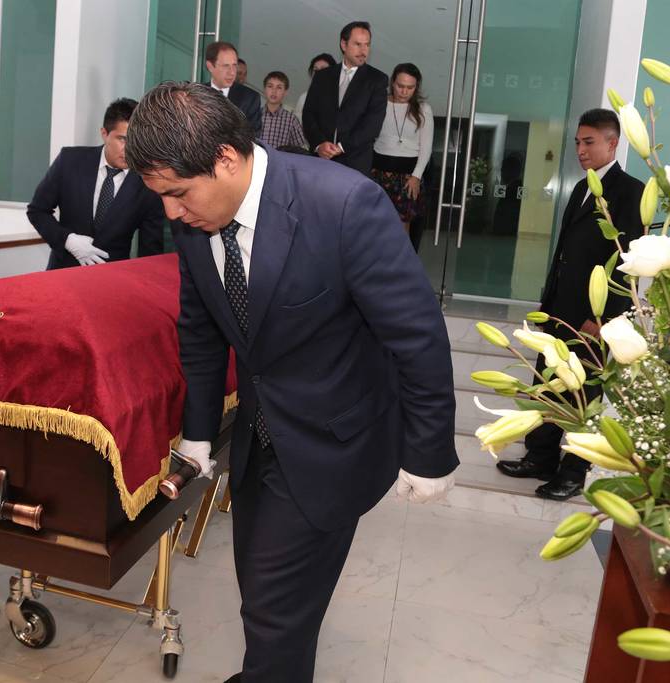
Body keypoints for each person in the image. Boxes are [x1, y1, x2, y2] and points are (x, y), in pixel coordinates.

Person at [126, 82, 457, 683]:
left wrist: (429, 452)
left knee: (275, 611)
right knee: (262, 592)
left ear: (226, 158)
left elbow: (417, 335)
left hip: (335, 440)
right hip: (259, 439)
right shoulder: (195, 222)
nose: (171, 213)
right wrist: (198, 435)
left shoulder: (344, 204)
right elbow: (201, 333)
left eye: (177, 193)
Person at [496, 108, 645, 501]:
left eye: (588, 142)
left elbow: (627, 262)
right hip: (561, 310)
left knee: (583, 397)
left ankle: (574, 472)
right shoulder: (581, 188)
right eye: (578, 142)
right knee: (548, 386)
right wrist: (548, 304)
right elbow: (564, 252)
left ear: (612, 143)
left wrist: (605, 318)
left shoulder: (631, 192)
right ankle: (540, 457)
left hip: (593, 317)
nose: (580, 149)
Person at [27, 98, 165, 269]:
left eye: (138, 141)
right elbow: (37, 211)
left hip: (113, 276)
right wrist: (68, 240)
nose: (131, 150)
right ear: (104, 134)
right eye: (123, 139)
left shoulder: (148, 182)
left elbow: (150, 251)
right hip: (64, 272)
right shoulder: (70, 161)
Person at [302, 21, 387, 176]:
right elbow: (308, 114)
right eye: (358, 44)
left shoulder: (377, 80)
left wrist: (341, 147)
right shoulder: (322, 76)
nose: (363, 51)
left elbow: (372, 124)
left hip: (355, 163)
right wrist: (319, 144)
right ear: (343, 44)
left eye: (367, 45)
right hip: (320, 160)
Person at [371, 63, 433, 234]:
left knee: (402, 226)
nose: (404, 91)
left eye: (410, 87)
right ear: (393, 82)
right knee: (375, 223)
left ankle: (400, 253)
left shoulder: (423, 109)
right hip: (378, 173)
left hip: (408, 178)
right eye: (400, 86)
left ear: (416, 87)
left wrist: (416, 176)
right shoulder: (380, 103)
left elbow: (426, 147)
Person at [206, 41, 262, 135]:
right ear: (210, 66)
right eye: (226, 66)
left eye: (234, 65)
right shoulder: (195, 95)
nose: (232, 72)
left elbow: (254, 136)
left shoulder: (250, 98)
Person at [259, 71, 307, 151]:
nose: (274, 91)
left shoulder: (291, 120)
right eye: (270, 86)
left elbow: (300, 149)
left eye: (279, 87)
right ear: (264, 89)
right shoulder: (255, 115)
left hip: (280, 159)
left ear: (285, 92)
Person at [295, 53, 336, 126]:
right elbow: (297, 125)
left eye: (323, 69)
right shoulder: (304, 98)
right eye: (315, 70)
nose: (319, 73)